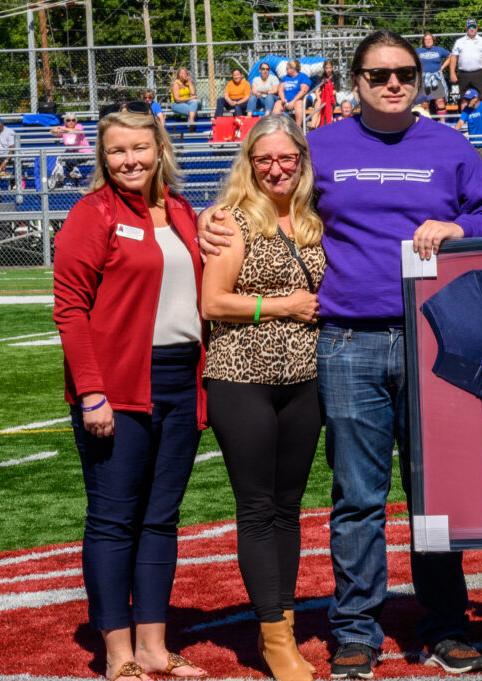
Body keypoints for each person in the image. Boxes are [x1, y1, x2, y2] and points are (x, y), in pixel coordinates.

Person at [197, 30, 482, 680]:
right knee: (358, 495)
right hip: (347, 340)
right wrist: (211, 216)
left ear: (419, 80)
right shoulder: (323, 146)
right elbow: (268, 191)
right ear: (355, 81)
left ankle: (446, 626)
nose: (392, 83)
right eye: (378, 74)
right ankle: (356, 631)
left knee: (433, 492)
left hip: (433, 335)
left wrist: (459, 227)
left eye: (403, 73)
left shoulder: (449, 146)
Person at [52, 109, 208, 681]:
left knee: (161, 520)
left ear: (160, 148)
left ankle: (154, 648)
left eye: (140, 148)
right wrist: (91, 394)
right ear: (103, 156)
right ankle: (117, 654)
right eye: (118, 151)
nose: (130, 160)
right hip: (118, 388)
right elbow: (69, 310)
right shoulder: (91, 215)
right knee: (114, 520)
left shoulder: (185, 212)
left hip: (179, 379)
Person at [201, 114, 324, 681]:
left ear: (300, 159)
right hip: (241, 375)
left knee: (289, 510)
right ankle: (274, 639)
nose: (276, 169)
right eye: (264, 159)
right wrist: (282, 306)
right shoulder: (230, 219)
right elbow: (213, 303)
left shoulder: (313, 216)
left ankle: (286, 628)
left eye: (286, 158)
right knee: (256, 508)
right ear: (249, 163)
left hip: (304, 379)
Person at [449, 19, 482, 109]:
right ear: (466, 29)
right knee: (463, 97)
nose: (472, 29)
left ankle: (479, 118)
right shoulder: (459, 41)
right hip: (463, 74)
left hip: (479, 73)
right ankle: (464, 120)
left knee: (480, 97)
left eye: (474, 27)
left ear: (477, 28)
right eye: (470, 27)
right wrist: (452, 73)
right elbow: (453, 57)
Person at [49, 112, 91, 188]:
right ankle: (71, 183)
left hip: (83, 153)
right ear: (65, 121)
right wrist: (54, 129)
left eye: (73, 120)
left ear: (76, 121)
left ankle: (74, 170)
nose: (71, 122)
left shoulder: (79, 126)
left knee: (67, 154)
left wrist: (63, 129)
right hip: (72, 154)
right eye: (68, 120)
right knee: (68, 163)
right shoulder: (64, 128)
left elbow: (77, 131)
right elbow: (52, 133)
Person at [455, 88, 482, 163]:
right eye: (466, 99)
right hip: (472, 143)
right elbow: (460, 122)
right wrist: (453, 132)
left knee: (481, 166)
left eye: (469, 99)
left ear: (476, 99)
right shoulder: (466, 109)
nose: (467, 101)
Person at [417, 33, 453, 115]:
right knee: (424, 102)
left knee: (440, 100)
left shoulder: (439, 50)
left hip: (437, 78)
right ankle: (427, 123)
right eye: (426, 39)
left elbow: (450, 56)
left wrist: (442, 67)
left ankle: (443, 124)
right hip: (424, 79)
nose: (428, 41)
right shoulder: (418, 51)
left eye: (430, 39)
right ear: (423, 41)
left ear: (433, 40)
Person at [273, 59, 312, 127]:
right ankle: (276, 127)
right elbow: (280, 90)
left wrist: (293, 101)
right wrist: (283, 99)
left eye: (287, 68)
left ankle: (298, 127)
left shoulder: (302, 76)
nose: (286, 70)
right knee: (278, 103)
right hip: (287, 101)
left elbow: (304, 91)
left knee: (298, 103)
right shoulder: (285, 78)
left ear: (293, 69)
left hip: (300, 100)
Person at [310, 60, 339, 129]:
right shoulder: (321, 77)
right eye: (327, 68)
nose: (328, 70)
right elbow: (317, 90)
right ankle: (313, 126)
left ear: (332, 68)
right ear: (324, 68)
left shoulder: (336, 78)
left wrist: (324, 92)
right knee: (318, 105)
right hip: (321, 98)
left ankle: (315, 128)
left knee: (321, 107)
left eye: (330, 68)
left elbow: (335, 91)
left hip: (330, 99)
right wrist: (319, 98)